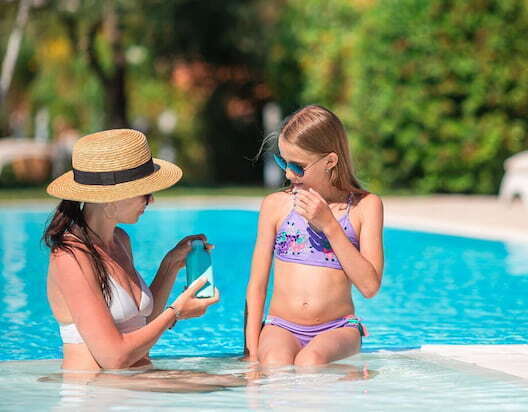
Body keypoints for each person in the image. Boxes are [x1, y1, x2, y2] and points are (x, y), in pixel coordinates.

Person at [44, 128, 221, 373]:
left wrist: (170, 265)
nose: (151, 200)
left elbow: (140, 326)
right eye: (145, 193)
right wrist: (176, 312)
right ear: (111, 198)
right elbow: (114, 358)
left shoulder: (120, 240)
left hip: (132, 384)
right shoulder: (69, 257)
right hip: (94, 395)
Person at [245, 105, 384, 366]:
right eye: (282, 162)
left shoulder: (365, 207)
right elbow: (257, 286)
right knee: (274, 363)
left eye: (298, 167)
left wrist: (330, 225)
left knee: (311, 362)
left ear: (330, 161)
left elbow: (369, 287)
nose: (287, 174)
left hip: (339, 328)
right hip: (280, 326)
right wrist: (253, 353)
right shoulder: (276, 205)